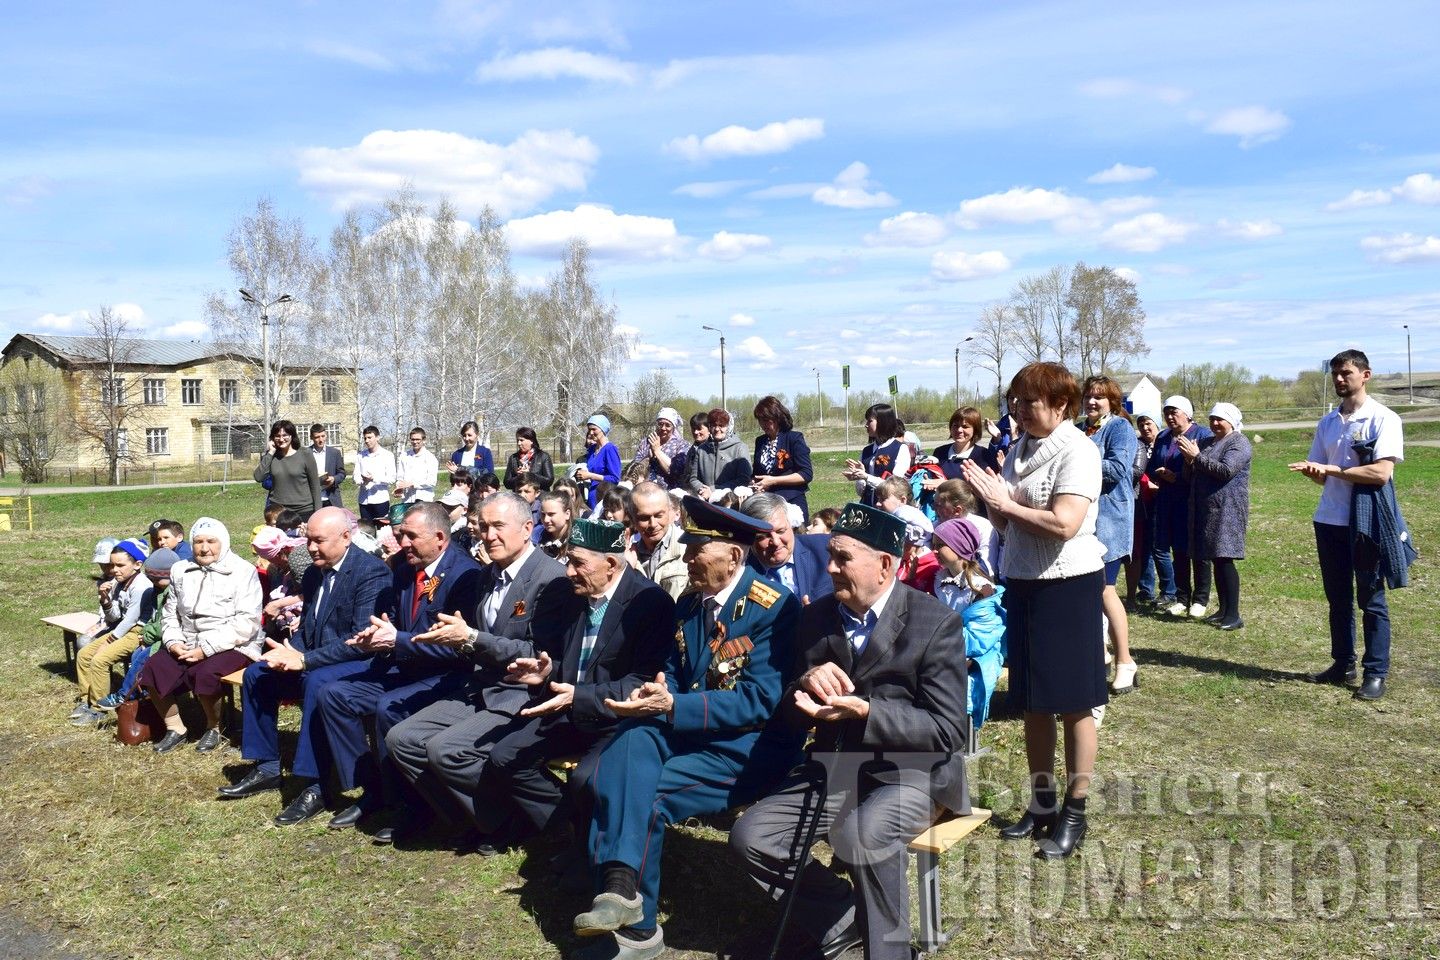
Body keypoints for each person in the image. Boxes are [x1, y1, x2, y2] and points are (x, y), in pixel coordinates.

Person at [730, 502, 969, 960]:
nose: (830, 568)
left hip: (913, 774)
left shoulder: (935, 623)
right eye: (831, 556)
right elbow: (787, 705)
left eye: (843, 558)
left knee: (865, 833)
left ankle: (892, 953)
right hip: (835, 768)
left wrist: (866, 713)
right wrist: (804, 685)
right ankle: (840, 919)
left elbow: (947, 730)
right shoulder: (817, 616)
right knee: (751, 837)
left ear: (884, 564)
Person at [574, 497, 801, 960]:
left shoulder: (774, 609)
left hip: (748, 748)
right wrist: (654, 696)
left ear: (733, 556)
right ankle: (618, 891)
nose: (687, 558)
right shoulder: (691, 603)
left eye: (697, 549)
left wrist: (674, 703)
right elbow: (675, 671)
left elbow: (757, 700)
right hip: (690, 729)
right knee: (625, 746)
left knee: (648, 795)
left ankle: (637, 929)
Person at [467, 518, 675, 857]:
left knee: (586, 780)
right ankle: (573, 830)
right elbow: (568, 659)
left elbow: (643, 683)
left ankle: (590, 848)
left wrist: (578, 696)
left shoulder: (650, 603)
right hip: (571, 710)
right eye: (568, 560)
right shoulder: (574, 595)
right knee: (505, 758)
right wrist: (545, 674)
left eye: (578, 562)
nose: (568, 571)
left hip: (619, 719)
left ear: (610, 565)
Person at [963, 361, 1104, 860]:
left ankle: (1074, 809)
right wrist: (993, 505)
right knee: (1034, 701)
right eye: (1015, 401)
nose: (1019, 411)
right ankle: (1042, 802)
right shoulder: (1019, 449)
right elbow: (1008, 524)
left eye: (1030, 402)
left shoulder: (1079, 450)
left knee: (1073, 701)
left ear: (1061, 406)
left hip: (1067, 585)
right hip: (1022, 582)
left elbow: (1065, 523)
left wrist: (1007, 502)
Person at [383, 493, 571, 845]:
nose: (489, 535)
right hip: (481, 685)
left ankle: (505, 823)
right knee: (402, 739)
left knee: (446, 750)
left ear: (528, 528)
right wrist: (452, 637)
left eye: (499, 526)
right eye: (483, 527)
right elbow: (476, 638)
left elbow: (537, 653)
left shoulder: (550, 578)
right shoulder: (488, 575)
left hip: (523, 692)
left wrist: (470, 637)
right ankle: (474, 818)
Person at [288, 502, 483, 830]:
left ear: (439, 537)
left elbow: (456, 647)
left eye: (410, 536)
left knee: (387, 707)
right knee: (334, 694)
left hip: (447, 675)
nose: (402, 542)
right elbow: (392, 617)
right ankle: (372, 788)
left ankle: (410, 804)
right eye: (401, 534)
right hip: (404, 667)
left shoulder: (465, 576)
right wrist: (375, 634)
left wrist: (398, 640)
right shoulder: (407, 570)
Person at [216, 508, 393, 814]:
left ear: (346, 537)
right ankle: (267, 766)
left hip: (362, 662)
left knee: (315, 682)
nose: (310, 548)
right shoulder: (313, 572)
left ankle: (317, 784)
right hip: (321, 657)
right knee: (257, 673)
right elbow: (311, 626)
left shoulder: (371, 573)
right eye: (308, 539)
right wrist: (288, 651)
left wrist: (305, 660)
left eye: (318, 541)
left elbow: (360, 640)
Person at [1288, 349, 1413, 701]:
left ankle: (1376, 672)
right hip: (1329, 520)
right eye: (1335, 375)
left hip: (1367, 522)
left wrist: (1332, 471)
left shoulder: (1383, 418)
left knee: (1371, 599)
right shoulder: (1328, 422)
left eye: (1346, 373)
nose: (1340, 380)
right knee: (1338, 599)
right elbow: (1323, 476)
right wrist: (1318, 473)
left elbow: (1380, 473)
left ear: (1365, 375)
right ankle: (1342, 663)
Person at [143, 518, 264, 754]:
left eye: (211, 541)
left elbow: (246, 623)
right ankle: (175, 727)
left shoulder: (242, 571)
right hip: (188, 639)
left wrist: (205, 649)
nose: (204, 548)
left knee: (205, 672)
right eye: (198, 542)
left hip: (234, 642)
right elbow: (170, 614)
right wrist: (174, 642)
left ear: (224, 543)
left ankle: (214, 726)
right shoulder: (181, 569)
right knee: (154, 666)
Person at [1081, 375, 1140, 694]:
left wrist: (1076, 465)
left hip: (1109, 523)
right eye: (1088, 396)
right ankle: (1098, 653)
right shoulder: (1079, 429)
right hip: (1081, 524)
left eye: (1099, 397)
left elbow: (1117, 470)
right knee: (1086, 592)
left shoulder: (1119, 428)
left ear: (1112, 401)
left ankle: (1125, 662)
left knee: (1105, 590)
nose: (1092, 401)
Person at [1177, 402, 1252, 632]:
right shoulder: (1209, 441)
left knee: (1225, 558)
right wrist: (1190, 461)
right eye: (1212, 419)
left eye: (1220, 419)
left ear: (1231, 421)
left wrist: (1196, 457)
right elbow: (1193, 474)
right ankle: (1223, 609)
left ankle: (1233, 614)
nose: (1215, 423)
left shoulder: (1239, 443)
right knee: (1215, 559)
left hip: (1227, 509)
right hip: (1206, 509)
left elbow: (1225, 471)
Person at [932, 517, 1007, 732]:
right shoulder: (941, 579)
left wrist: (944, 647)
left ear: (958, 547)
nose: (934, 551)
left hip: (978, 654)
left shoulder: (981, 590)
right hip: (950, 645)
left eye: (940, 546)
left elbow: (982, 636)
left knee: (960, 686)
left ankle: (961, 732)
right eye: (933, 545)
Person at [70, 539, 152, 726]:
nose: (114, 570)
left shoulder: (141, 586)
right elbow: (114, 615)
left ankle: (98, 709)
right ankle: (86, 700)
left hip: (136, 632)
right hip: (122, 628)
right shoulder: (118, 582)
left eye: (120, 565)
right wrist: (105, 599)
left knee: (99, 660)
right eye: (112, 565)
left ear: (137, 565)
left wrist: (108, 642)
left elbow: (131, 619)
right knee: (84, 655)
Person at [1150, 397, 1213, 618]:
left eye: (1174, 412)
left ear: (1186, 413)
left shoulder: (1202, 435)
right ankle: (1182, 597)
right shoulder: (1164, 437)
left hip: (1193, 500)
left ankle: (1201, 599)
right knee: (1179, 550)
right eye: (1166, 412)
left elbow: (1208, 468)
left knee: (1197, 549)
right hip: (1168, 499)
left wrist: (1176, 476)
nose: (1169, 417)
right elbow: (1152, 465)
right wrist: (1159, 475)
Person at [740, 491, 833, 604]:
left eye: (781, 531)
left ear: (791, 525)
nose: (775, 542)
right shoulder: (740, 571)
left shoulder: (826, 549)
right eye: (763, 536)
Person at [1129, 412, 1170, 606]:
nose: (1145, 428)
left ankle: (1169, 590)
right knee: (1143, 547)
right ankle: (1146, 589)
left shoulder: (1166, 443)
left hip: (1162, 500)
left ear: (1157, 424)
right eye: (1141, 424)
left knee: (1159, 548)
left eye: (1148, 423)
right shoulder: (1138, 444)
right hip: (1142, 501)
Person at [750, 396, 813, 521]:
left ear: (777, 417)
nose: (763, 424)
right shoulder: (760, 441)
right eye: (760, 420)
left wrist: (773, 480)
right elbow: (756, 473)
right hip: (766, 503)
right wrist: (754, 483)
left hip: (791, 501)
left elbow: (806, 474)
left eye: (767, 420)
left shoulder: (794, 438)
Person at [628, 482, 687, 599]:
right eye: (644, 518)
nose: (653, 524)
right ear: (632, 519)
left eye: (659, 516)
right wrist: (626, 570)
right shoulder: (627, 556)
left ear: (670, 512)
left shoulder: (688, 549)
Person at [842, 402, 908, 506]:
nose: (866, 425)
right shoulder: (866, 451)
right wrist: (859, 477)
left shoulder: (900, 449)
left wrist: (866, 477)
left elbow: (894, 486)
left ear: (883, 422)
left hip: (888, 510)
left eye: (870, 421)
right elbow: (861, 492)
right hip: (868, 508)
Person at [254, 419, 323, 519]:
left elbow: (315, 486)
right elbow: (258, 477)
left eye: (285, 435)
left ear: (292, 436)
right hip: (278, 512)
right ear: (273, 438)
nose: (281, 439)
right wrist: (270, 453)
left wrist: (318, 514)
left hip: (304, 511)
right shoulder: (270, 456)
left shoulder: (305, 454)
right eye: (277, 436)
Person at [629, 407, 689, 490]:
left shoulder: (682, 445)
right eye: (660, 424)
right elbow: (635, 468)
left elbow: (676, 471)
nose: (663, 428)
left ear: (673, 427)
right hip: (645, 490)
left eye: (668, 425)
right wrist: (648, 458)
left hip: (669, 493)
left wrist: (657, 451)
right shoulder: (646, 442)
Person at [577, 415, 622, 510]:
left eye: (594, 429)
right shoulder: (592, 450)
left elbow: (615, 478)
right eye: (589, 429)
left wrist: (589, 475)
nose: (591, 433)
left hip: (604, 498)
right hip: (590, 496)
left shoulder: (610, 449)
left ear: (603, 429)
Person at [356, 425, 395, 524]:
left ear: (377, 437)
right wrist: (363, 481)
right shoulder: (360, 456)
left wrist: (374, 479)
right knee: (367, 531)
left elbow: (391, 478)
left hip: (380, 499)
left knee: (382, 531)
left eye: (370, 437)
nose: (367, 441)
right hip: (364, 500)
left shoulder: (387, 455)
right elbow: (355, 476)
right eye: (365, 438)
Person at [395, 427, 439, 504]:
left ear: (424, 440)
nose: (415, 442)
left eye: (418, 439)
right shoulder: (404, 456)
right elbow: (400, 477)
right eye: (413, 439)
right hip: (407, 500)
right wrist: (399, 489)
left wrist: (413, 484)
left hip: (424, 499)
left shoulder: (430, 458)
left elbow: (432, 481)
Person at [504, 427, 555, 492]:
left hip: (539, 498)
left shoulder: (543, 456)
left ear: (531, 441)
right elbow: (506, 483)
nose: (519, 443)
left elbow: (549, 481)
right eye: (517, 440)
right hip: (519, 498)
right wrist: (519, 477)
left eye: (521, 440)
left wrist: (530, 474)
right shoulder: (513, 458)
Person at [309, 423, 347, 508]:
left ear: (326, 436)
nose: (321, 440)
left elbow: (342, 473)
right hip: (312, 500)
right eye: (317, 437)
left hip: (332, 498)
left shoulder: (335, 453)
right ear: (311, 437)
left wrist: (333, 479)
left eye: (323, 436)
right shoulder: (306, 453)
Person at [537, 490, 574, 561]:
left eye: (551, 514)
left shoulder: (576, 544)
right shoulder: (538, 537)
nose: (546, 520)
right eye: (543, 514)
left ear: (567, 514)